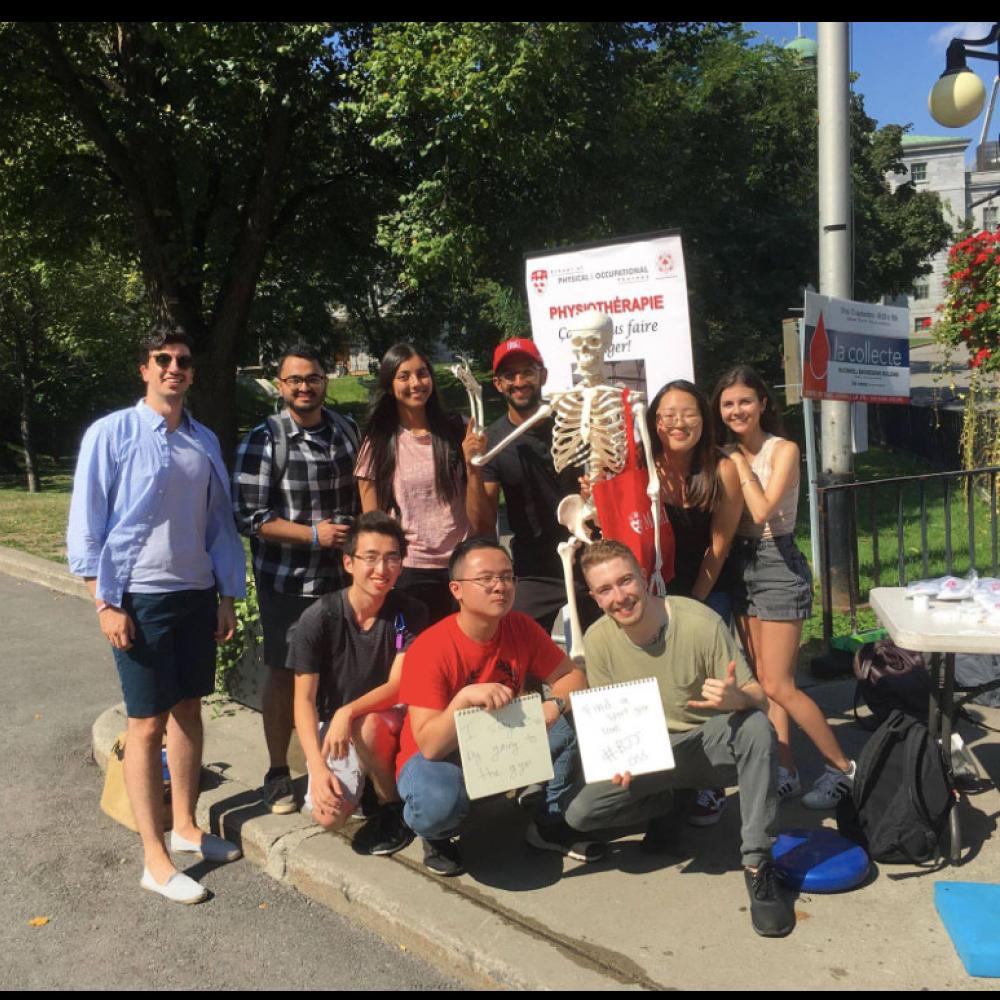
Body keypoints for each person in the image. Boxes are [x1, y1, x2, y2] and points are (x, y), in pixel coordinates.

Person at [67, 323, 245, 905]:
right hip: (138, 599)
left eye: (184, 360)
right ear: (144, 368)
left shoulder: (204, 440)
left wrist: (225, 595)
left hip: (195, 595)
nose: (174, 368)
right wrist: (105, 600)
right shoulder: (112, 433)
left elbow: (219, 524)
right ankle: (154, 857)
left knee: (189, 710)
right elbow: (88, 522)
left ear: (193, 371)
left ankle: (187, 826)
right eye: (162, 359)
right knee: (144, 724)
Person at [564, 540, 794, 938]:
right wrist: (615, 761)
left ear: (644, 577)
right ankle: (668, 803)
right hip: (648, 754)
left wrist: (736, 698)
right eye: (605, 590)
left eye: (625, 581)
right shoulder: (599, 640)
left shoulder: (699, 622)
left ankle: (758, 864)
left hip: (705, 743)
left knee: (757, 727)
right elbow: (609, 720)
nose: (620, 597)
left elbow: (757, 696)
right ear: (594, 597)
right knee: (580, 815)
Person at [394, 537, 604, 876]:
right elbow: (430, 745)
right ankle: (436, 834)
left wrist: (553, 705)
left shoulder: (520, 627)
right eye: (486, 579)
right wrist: (464, 699)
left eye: (507, 577)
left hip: (503, 741)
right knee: (437, 800)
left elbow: (573, 679)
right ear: (457, 589)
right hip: (441, 757)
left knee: (575, 713)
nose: (500, 587)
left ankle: (548, 822)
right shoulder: (431, 648)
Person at [712, 365, 855, 809]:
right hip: (740, 563)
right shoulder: (722, 452)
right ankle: (786, 769)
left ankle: (844, 769)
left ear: (763, 404)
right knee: (760, 680)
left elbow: (761, 510)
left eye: (745, 401)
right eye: (728, 404)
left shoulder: (784, 450)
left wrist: (737, 462)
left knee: (780, 684)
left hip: (776, 563)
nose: (737, 410)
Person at [233, 344, 360, 815]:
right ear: (280, 385)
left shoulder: (346, 430)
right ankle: (277, 771)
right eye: (294, 380)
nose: (304, 387)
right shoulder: (263, 440)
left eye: (312, 378)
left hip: (342, 582)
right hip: (287, 583)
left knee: (339, 673)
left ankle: (337, 768)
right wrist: (313, 535)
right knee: (285, 674)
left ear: (325, 380)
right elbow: (247, 517)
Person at [288, 512, 427, 855]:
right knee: (327, 816)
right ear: (349, 563)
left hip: (387, 717)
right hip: (337, 726)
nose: (382, 569)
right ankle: (364, 786)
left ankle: (392, 807)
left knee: (365, 726)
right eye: (371, 558)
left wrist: (346, 713)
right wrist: (317, 769)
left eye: (392, 558)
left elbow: (398, 685)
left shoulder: (406, 614)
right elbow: (303, 700)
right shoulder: (319, 618)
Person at [647, 378, 743, 828]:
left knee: (705, 685)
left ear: (704, 420)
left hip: (706, 587)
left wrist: (692, 607)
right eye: (667, 414)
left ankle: (710, 778)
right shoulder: (642, 467)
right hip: (652, 592)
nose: (678, 423)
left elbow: (718, 548)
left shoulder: (722, 468)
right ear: (654, 422)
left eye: (688, 413)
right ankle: (664, 771)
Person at [466, 337, 600, 635]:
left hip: (590, 555)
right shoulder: (494, 441)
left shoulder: (577, 424)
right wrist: (472, 468)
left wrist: (596, 493)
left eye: (527, 371)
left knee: (610, 647)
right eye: (509, 376)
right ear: (498, 384)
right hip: (534, 570)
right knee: (516, 648)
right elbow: (483, 525)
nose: (519, 381)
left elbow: (607, 485)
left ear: (543, 375)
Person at [355, 344, 477, 625]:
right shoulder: (378, 442)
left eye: (422, 374)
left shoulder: (458, 428)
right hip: (409, 572)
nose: (416, 383)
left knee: (462, 656)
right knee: (409, 654)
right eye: (404, 376)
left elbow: (481, 492)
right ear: (389, 385)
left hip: (460, 566)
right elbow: (371, 522)